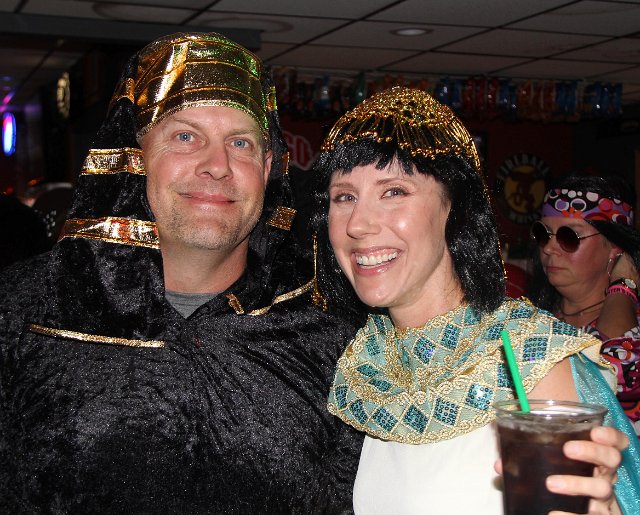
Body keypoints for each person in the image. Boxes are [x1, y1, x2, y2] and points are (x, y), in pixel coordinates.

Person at [0, 32, 362, 513]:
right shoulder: (24, 308)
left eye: (240, 142)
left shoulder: (333, 332)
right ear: (135, 155)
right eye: (186, 137)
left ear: (268, 168)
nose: (217, 166)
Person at [310, 87, 640, 514]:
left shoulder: (531, 358)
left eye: (394, 192)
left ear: (455, 207)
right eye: (344, 197)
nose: (358, 223)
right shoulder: (364, 365)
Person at [529, 175, 640, 435]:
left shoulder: (633, 319)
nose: (549, 248)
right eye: (543, 234)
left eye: (569, 237)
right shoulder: (529, 318)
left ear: (614, 246)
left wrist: (623, 287)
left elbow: (614, 376)